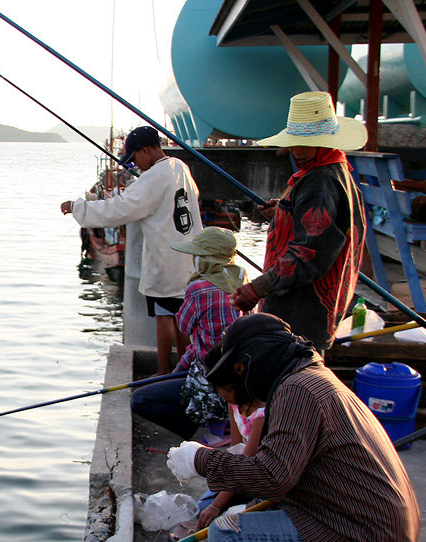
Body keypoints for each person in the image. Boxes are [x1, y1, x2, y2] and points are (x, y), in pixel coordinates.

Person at [166, 313, 419, 542]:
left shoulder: (295, 391)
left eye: (240, 369)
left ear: (253, 362)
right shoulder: (311, 375)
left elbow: (272, 478)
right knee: (247, 515)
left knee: (225, 539)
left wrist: (200, 459)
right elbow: (280, 474)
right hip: (380, 532)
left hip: (366, 541)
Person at [230, 91, 367, 352]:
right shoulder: (336, 173)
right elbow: (324, 227)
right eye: (293, 142)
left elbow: (309, 254)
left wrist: (257, 288)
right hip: (317, 310)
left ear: (324, 142)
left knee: (289, 380)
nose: (295, 151)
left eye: (303, 143)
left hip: (300, 310)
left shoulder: (320, 182)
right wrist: (284, 211)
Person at [61, 126, 203, 374]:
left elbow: (120, 209)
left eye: (135, 158)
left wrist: (78, 207)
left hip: (165, 256)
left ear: (146, 151)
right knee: (183, 316)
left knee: (164, 315)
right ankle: (184, 368)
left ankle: (162, 371)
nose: (135, 165)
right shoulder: (180, 166)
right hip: (189, 255)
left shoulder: (152, 177)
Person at [129, 227, 241, 440]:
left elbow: (184, 325)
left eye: (197, 255)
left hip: (211, 373)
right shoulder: (242, 279)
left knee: (140, 399)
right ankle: (217, 421)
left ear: (206, 259)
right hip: (234, 368)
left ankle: (208, 427)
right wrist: (179, 369)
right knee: (173, 377)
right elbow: (196, 344)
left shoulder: (199, 287)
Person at [196, 342, 265, 530]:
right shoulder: (233, 404)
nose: (223, 395)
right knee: (200, 510)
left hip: (258, 479)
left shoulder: (261, 413)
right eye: (219, 389)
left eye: (227, 389)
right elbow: (235, 451)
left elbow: (246, 464)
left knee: (219, 517)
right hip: (240, 475)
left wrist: (216, 505)